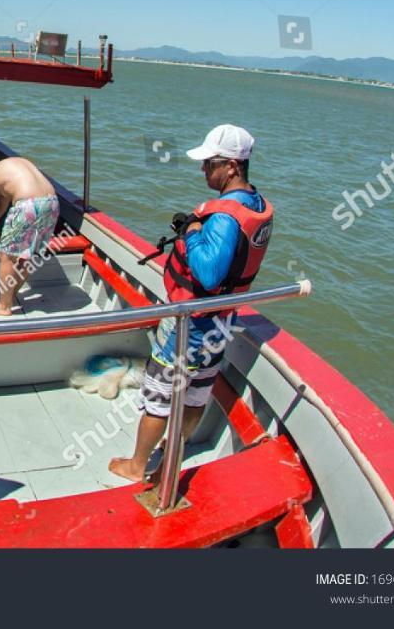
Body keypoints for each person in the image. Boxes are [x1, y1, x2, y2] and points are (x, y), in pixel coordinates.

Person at [109, 124, 273, 483]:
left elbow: (209, 273)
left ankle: (138, 465)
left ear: (231, 166)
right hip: (221, 320)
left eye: (209, 163)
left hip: (191, 323)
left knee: (160, 395)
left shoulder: (226, 216)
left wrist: (194, 232)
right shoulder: (255, 203)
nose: (203, 170)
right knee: (196, 393)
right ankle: (174, 448)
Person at [0, 157, 61, 315]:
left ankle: (4, 306)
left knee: (7, 256)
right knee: (27, 255)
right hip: (52, 202)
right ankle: (9, 297)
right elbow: (0, 209)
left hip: (28, 204)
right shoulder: (6, 169)